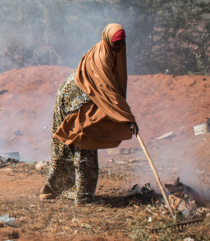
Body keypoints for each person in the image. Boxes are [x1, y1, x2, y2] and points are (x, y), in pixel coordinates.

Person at [40, 23, 138, 205]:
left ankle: (54, 188)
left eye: (123, 42)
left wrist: (126, 116)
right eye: (117, 43)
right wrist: (128, 118)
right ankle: (83, 197)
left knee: (76, 143)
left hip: (88, 98)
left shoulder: (113, 53)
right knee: (83, 143)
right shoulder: (102, 56)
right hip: (75, 99)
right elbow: (109, 92)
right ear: (107, 40)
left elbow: (113, 87)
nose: (120, 46)